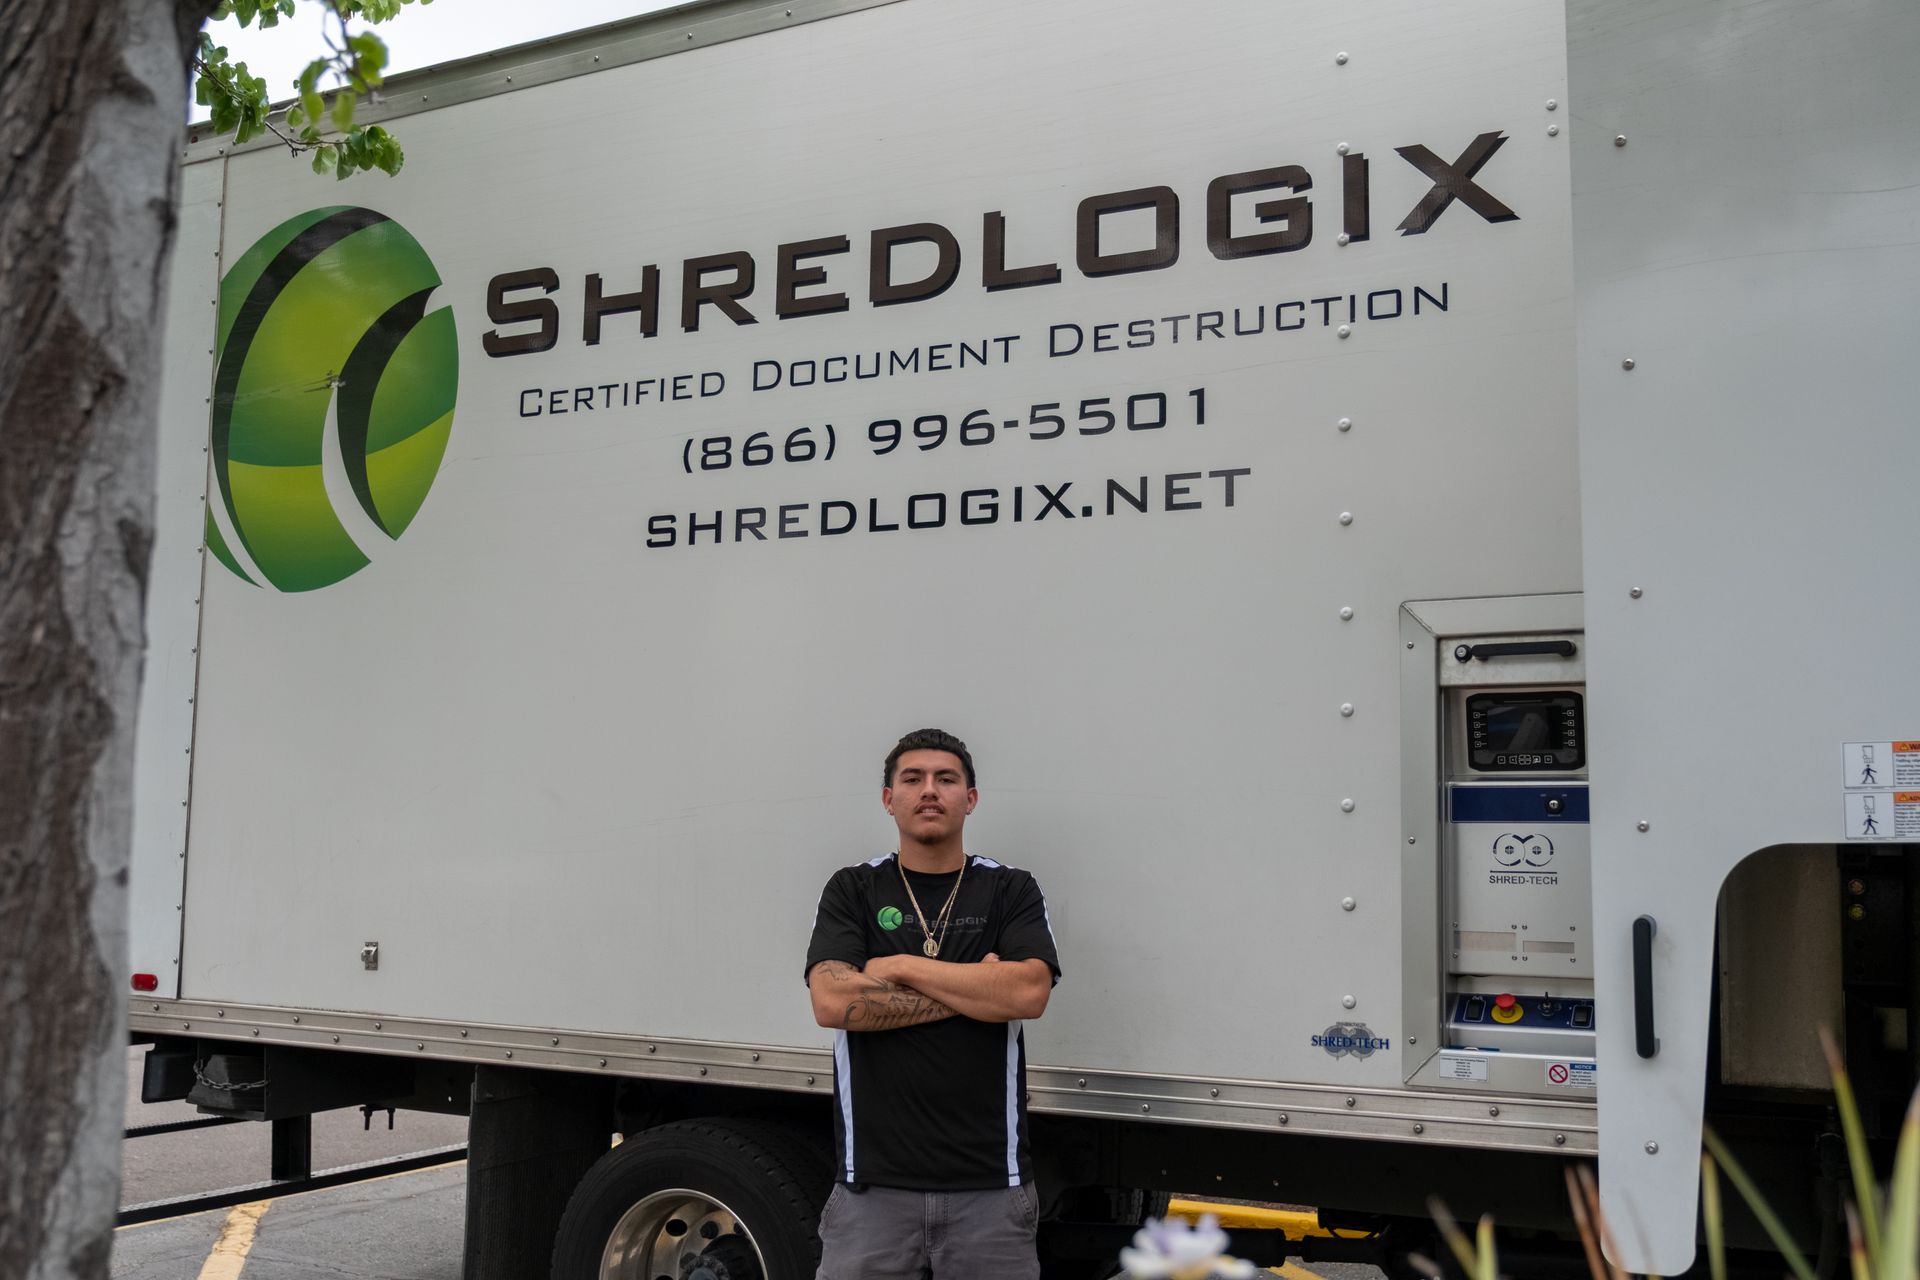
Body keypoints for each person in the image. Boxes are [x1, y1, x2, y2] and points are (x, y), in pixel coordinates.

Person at [804, 728, 1061, 1280]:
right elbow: (831, 1001)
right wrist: (975, 991)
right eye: (912, 778)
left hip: (992, 1191)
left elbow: (1027, 993)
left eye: (946, 779)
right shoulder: (854, 889)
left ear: (970, 799)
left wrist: (899, 968)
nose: (929, 790)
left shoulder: (1010, 889)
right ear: (888, 798)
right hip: (870, 1193)